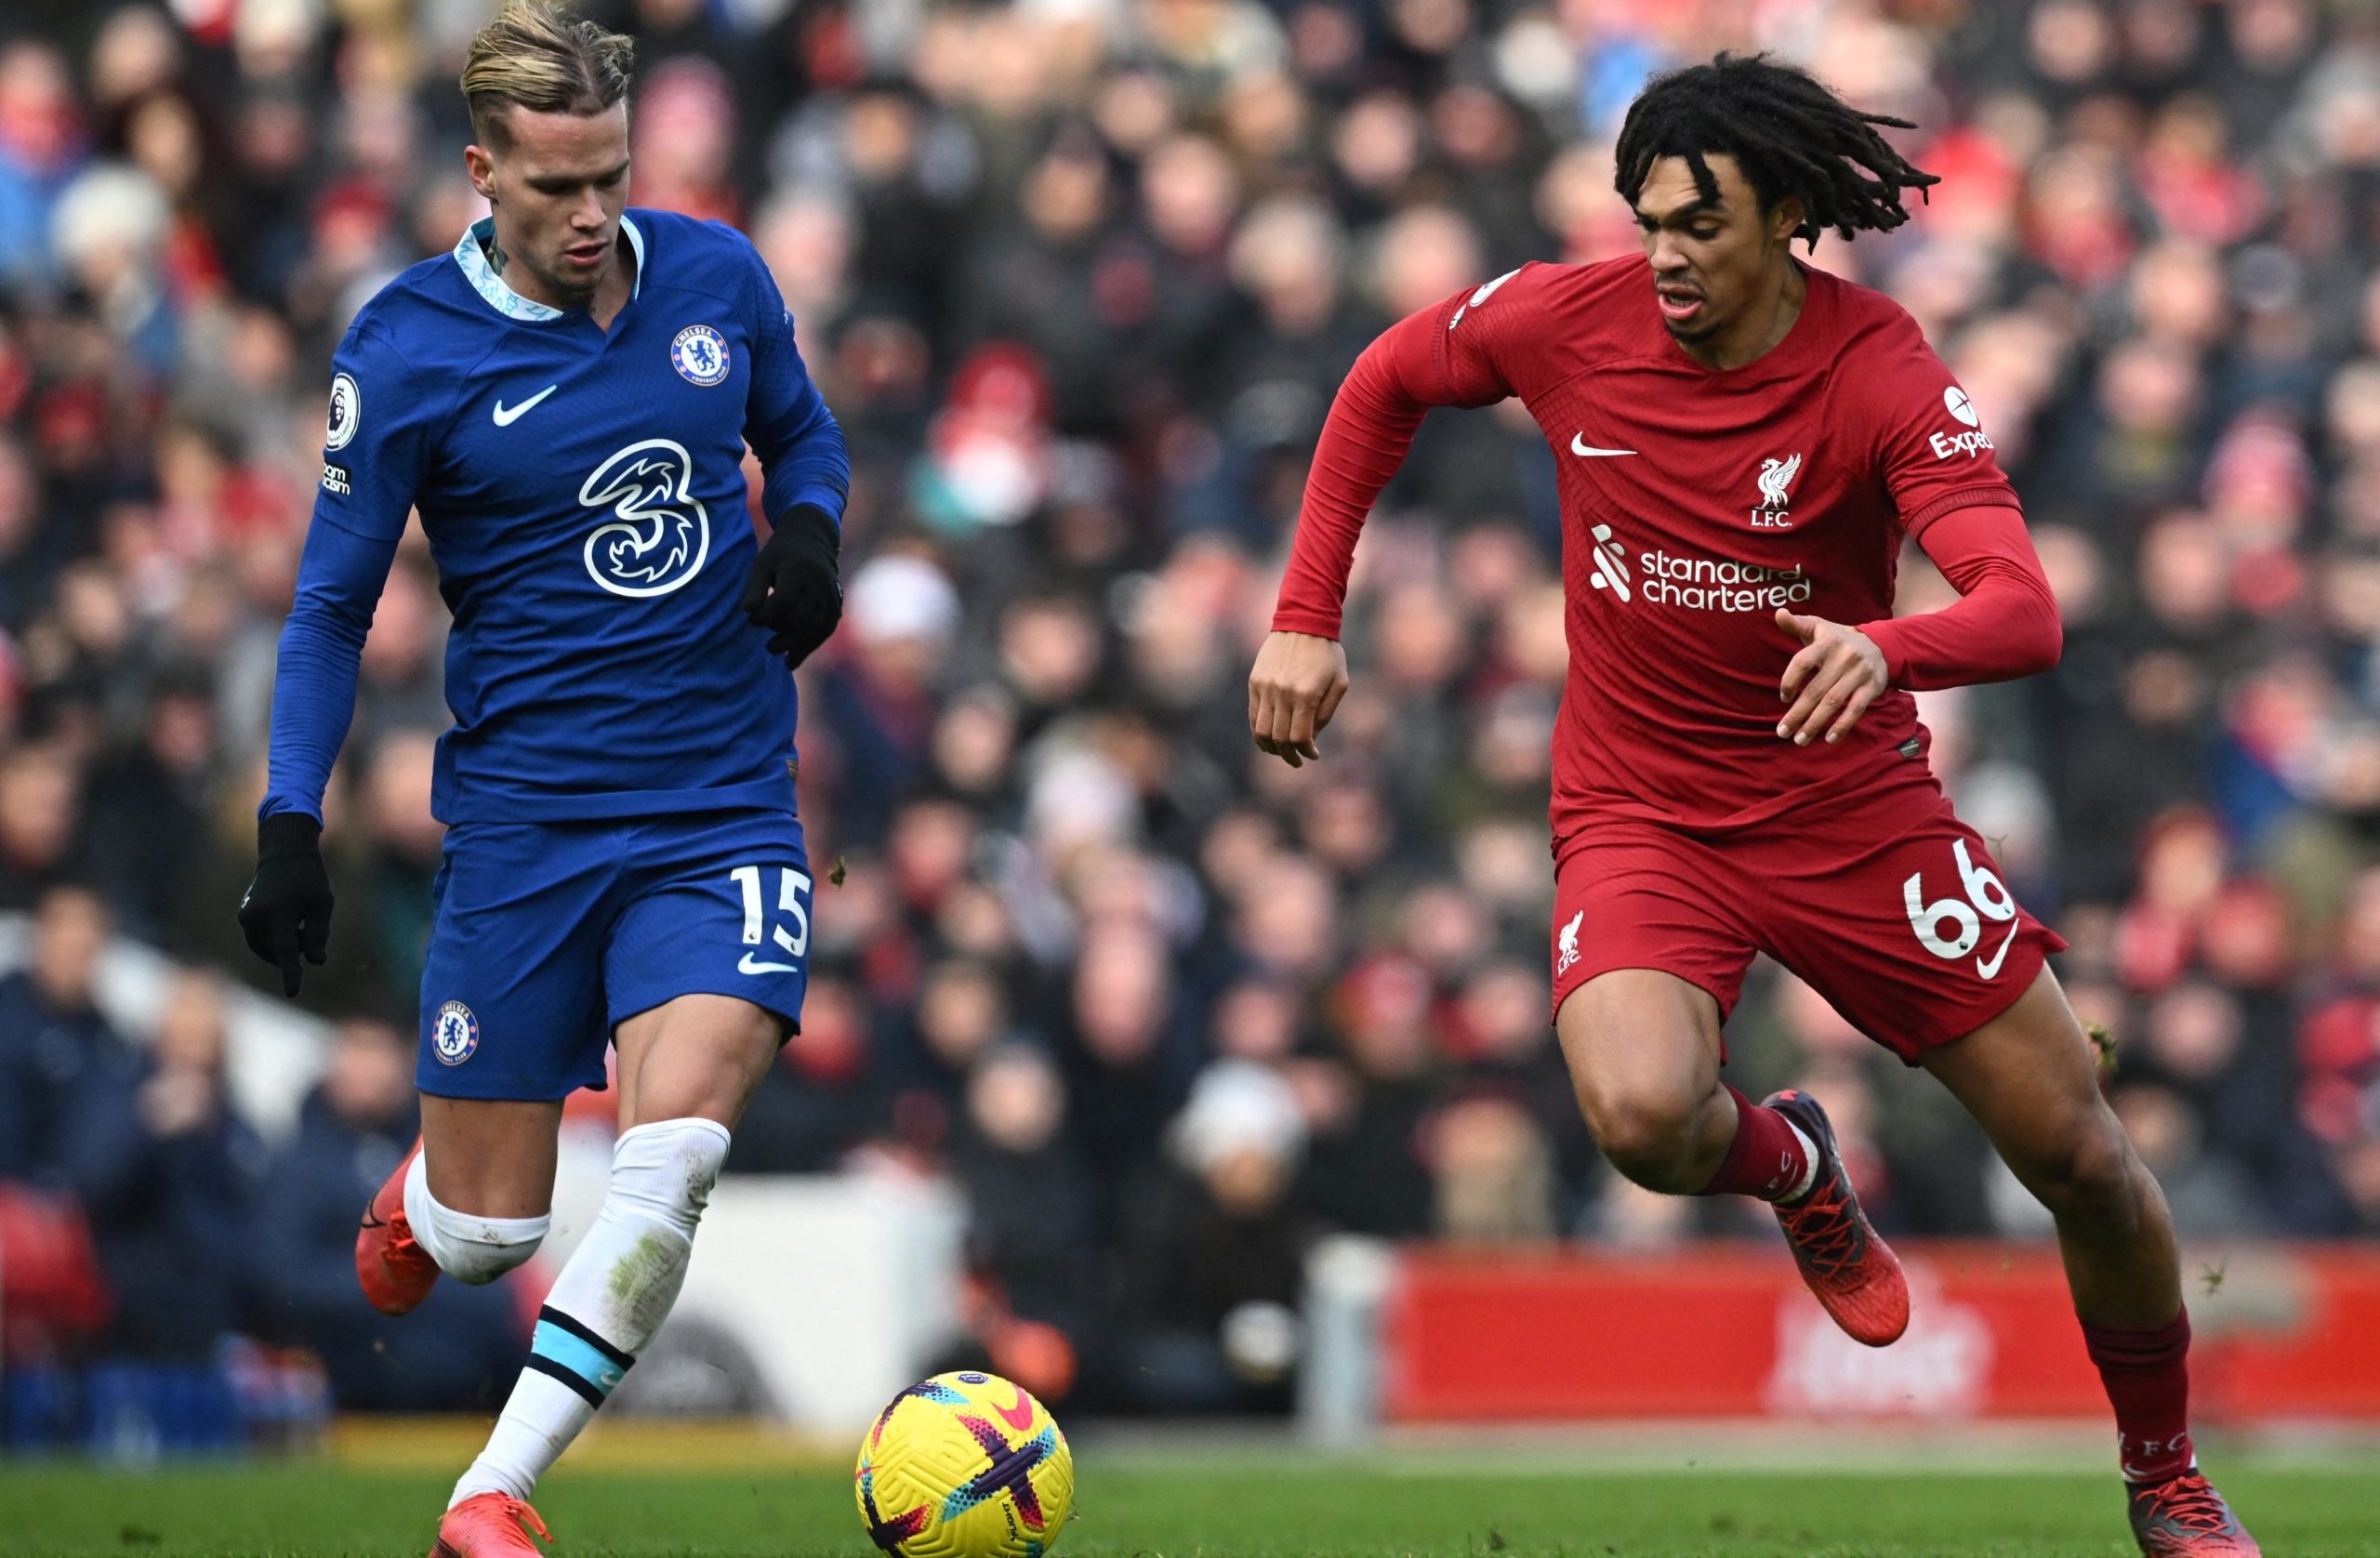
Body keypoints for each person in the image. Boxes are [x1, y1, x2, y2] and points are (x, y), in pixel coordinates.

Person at [1248, 54, 2254, 1558]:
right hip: (1643, 811)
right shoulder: (1563, 320)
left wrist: (1888, 647)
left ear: (1788, 217)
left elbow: (2023, 608)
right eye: (1649, 221)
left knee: (2083, 1158)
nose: (1665, 255)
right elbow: (1384, 378)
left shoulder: (1879, 367)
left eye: (1699, 225)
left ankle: (2166, 1477)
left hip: (1851, 812)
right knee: (1643, 1117)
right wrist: (1304, 614)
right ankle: (1796, 1167)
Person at [233, 3, 848, 1551]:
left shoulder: (715, 276)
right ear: (481, 170)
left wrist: (809, 533)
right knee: (487, 1235)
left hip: (721, 807)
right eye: (556, 185)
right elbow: (328, 610)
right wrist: (292, 822)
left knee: (676, 1149)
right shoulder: (405, 350)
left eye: (611, 179)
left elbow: (807, 438)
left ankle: (491, 1492)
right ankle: (427, 1200)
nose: (591, 215)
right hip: (525, 825)